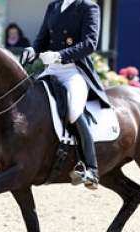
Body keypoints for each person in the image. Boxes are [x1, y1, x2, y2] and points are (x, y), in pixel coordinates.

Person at [22, 0, 110, 189]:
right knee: (26, 100)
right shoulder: (53, 6)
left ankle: (91, 169)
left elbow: (90, 43)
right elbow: (42, 39)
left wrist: (59, 55)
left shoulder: (88, 7)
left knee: (73, 110)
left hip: (73, 70)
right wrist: (33, 50)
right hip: (51, 69)